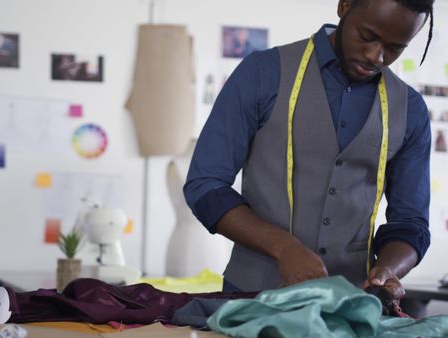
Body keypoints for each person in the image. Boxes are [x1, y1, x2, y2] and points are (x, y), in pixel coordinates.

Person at [184, 0, 433, 301]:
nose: (375, 56)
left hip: (348, 303)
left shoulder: (411, 110)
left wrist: (389, 269)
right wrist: (283, 247)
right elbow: (205, 185)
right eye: (367, 36)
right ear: (344, 6)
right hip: (251, 297)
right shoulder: (263, 73)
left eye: (395, 48)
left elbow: (410, 222)